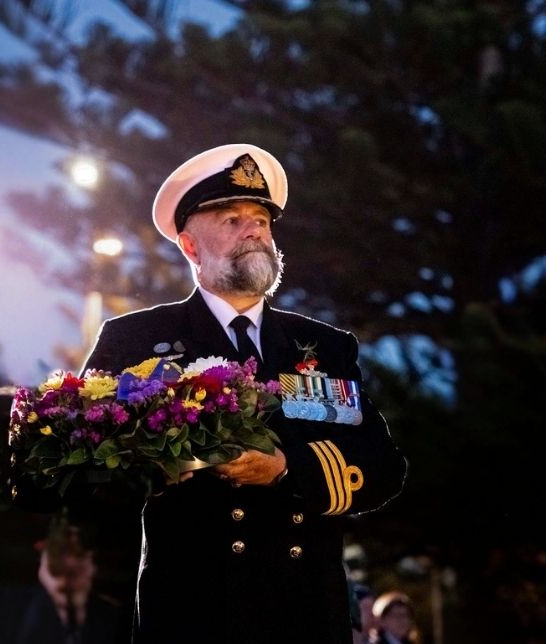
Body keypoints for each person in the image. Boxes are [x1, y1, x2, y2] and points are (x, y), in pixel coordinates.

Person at [74, 143, 408, 643]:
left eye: (262, 220)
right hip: (192, 616)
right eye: (232, 220)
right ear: (190, 246)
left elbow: (383, 466)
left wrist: (288, 468)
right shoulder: (135, 340)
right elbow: (84, 474)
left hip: (305, 616)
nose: (253, 230)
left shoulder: (326, 347)